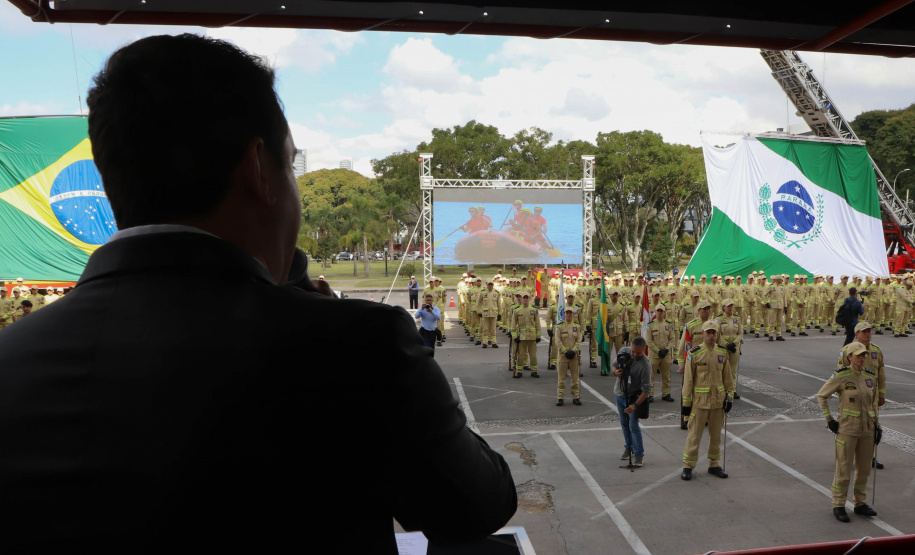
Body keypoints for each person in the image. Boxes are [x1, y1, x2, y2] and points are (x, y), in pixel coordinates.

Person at [0, 34, 516, 553]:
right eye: (289, 166)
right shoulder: (350, 346)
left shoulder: (13, 358)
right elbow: (478, 504)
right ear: (259, 172)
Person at [817, 341, 881, 523]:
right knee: (844, 468)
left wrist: (878, 426)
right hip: (847, 430)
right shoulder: (841, 376)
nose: (862, 358)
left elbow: (873, 404)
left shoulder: (870, 377)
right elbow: (821, 396)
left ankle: (860, 503)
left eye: (864, 355)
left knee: (864, 469)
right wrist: (830, 420)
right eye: (859, 355)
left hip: (867, 429)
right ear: (850, 357)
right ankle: (838, 504)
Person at [680, 320, 734, 481]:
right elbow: (688, 381)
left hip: (718, 402)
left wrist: (729, 397)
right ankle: (688, 466)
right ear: (702, 334)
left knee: (716, 435)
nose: (711, 335)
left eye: (714, 333)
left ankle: (714, 464)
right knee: (694, 436)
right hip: (700, 402)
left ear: (717, 335)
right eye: (708, 332)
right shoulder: (694, 353)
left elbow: (728, 378)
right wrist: (686, 404)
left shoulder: (722, 352)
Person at [837, 322, 886, 469]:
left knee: (872, 425)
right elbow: (841, 374)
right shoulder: (846, 351)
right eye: (864, 332)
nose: (868, 334)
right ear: (856, 334)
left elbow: (881, 374)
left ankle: (869, 456)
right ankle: (844, 455)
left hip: (871, 396)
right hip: (852, 397)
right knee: (849, 426)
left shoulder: (876, 351)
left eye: (869, 331)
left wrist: (882, 394)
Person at [612, 339, 652, 468]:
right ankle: (629, 448)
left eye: (638, 353)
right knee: (624, 424)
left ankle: (639, 454)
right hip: (619, 394)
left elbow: (646, 390)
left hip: (633, 397)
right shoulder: (624, 351)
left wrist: (635, 405)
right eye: (633, 351)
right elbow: (614, 364)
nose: (634, 355)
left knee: (633, 426)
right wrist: (615, 372)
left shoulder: (645, 364)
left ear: (644, 350)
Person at [646, 304, 676, 402]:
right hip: (654, 354)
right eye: (658, 311)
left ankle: (666, 394)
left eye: (661, 311)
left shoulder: (669, 324)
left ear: (664, 313)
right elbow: (648, 340)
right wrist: (658, 351)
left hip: (666, 354)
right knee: (651, 376)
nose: (659, 313)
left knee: (666, 375)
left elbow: (672, 339)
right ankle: (650, 394)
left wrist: (666, 349)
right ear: (655, 312)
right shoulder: (650, 325)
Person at [555, 308, 583, 406]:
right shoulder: (560, 327)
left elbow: (579, 339)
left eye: (571, 313)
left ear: (573, 314)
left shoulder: (577, 326)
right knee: (561, 379)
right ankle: (560, 397)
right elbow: (557, 341)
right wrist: (565, 351)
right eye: (567, 313)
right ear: (564, 314)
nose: (569, 315)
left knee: (575, 378)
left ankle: (576, 397)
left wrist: (574, 350)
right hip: (563, 356)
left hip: (574, 356)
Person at [512, 293, 541, 378]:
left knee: (533, 354)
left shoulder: (534, 309)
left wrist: (538, 335)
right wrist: (514, 336)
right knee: (521, 355)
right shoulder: (517, 310)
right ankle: (519, 371)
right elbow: (513, 325)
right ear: (522, 298)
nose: (525, 299)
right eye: (523, 298)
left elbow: (538, 323)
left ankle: (534, 371)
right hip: (522, 337)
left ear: (529, 299)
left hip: (532, 336)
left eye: (526, 298)